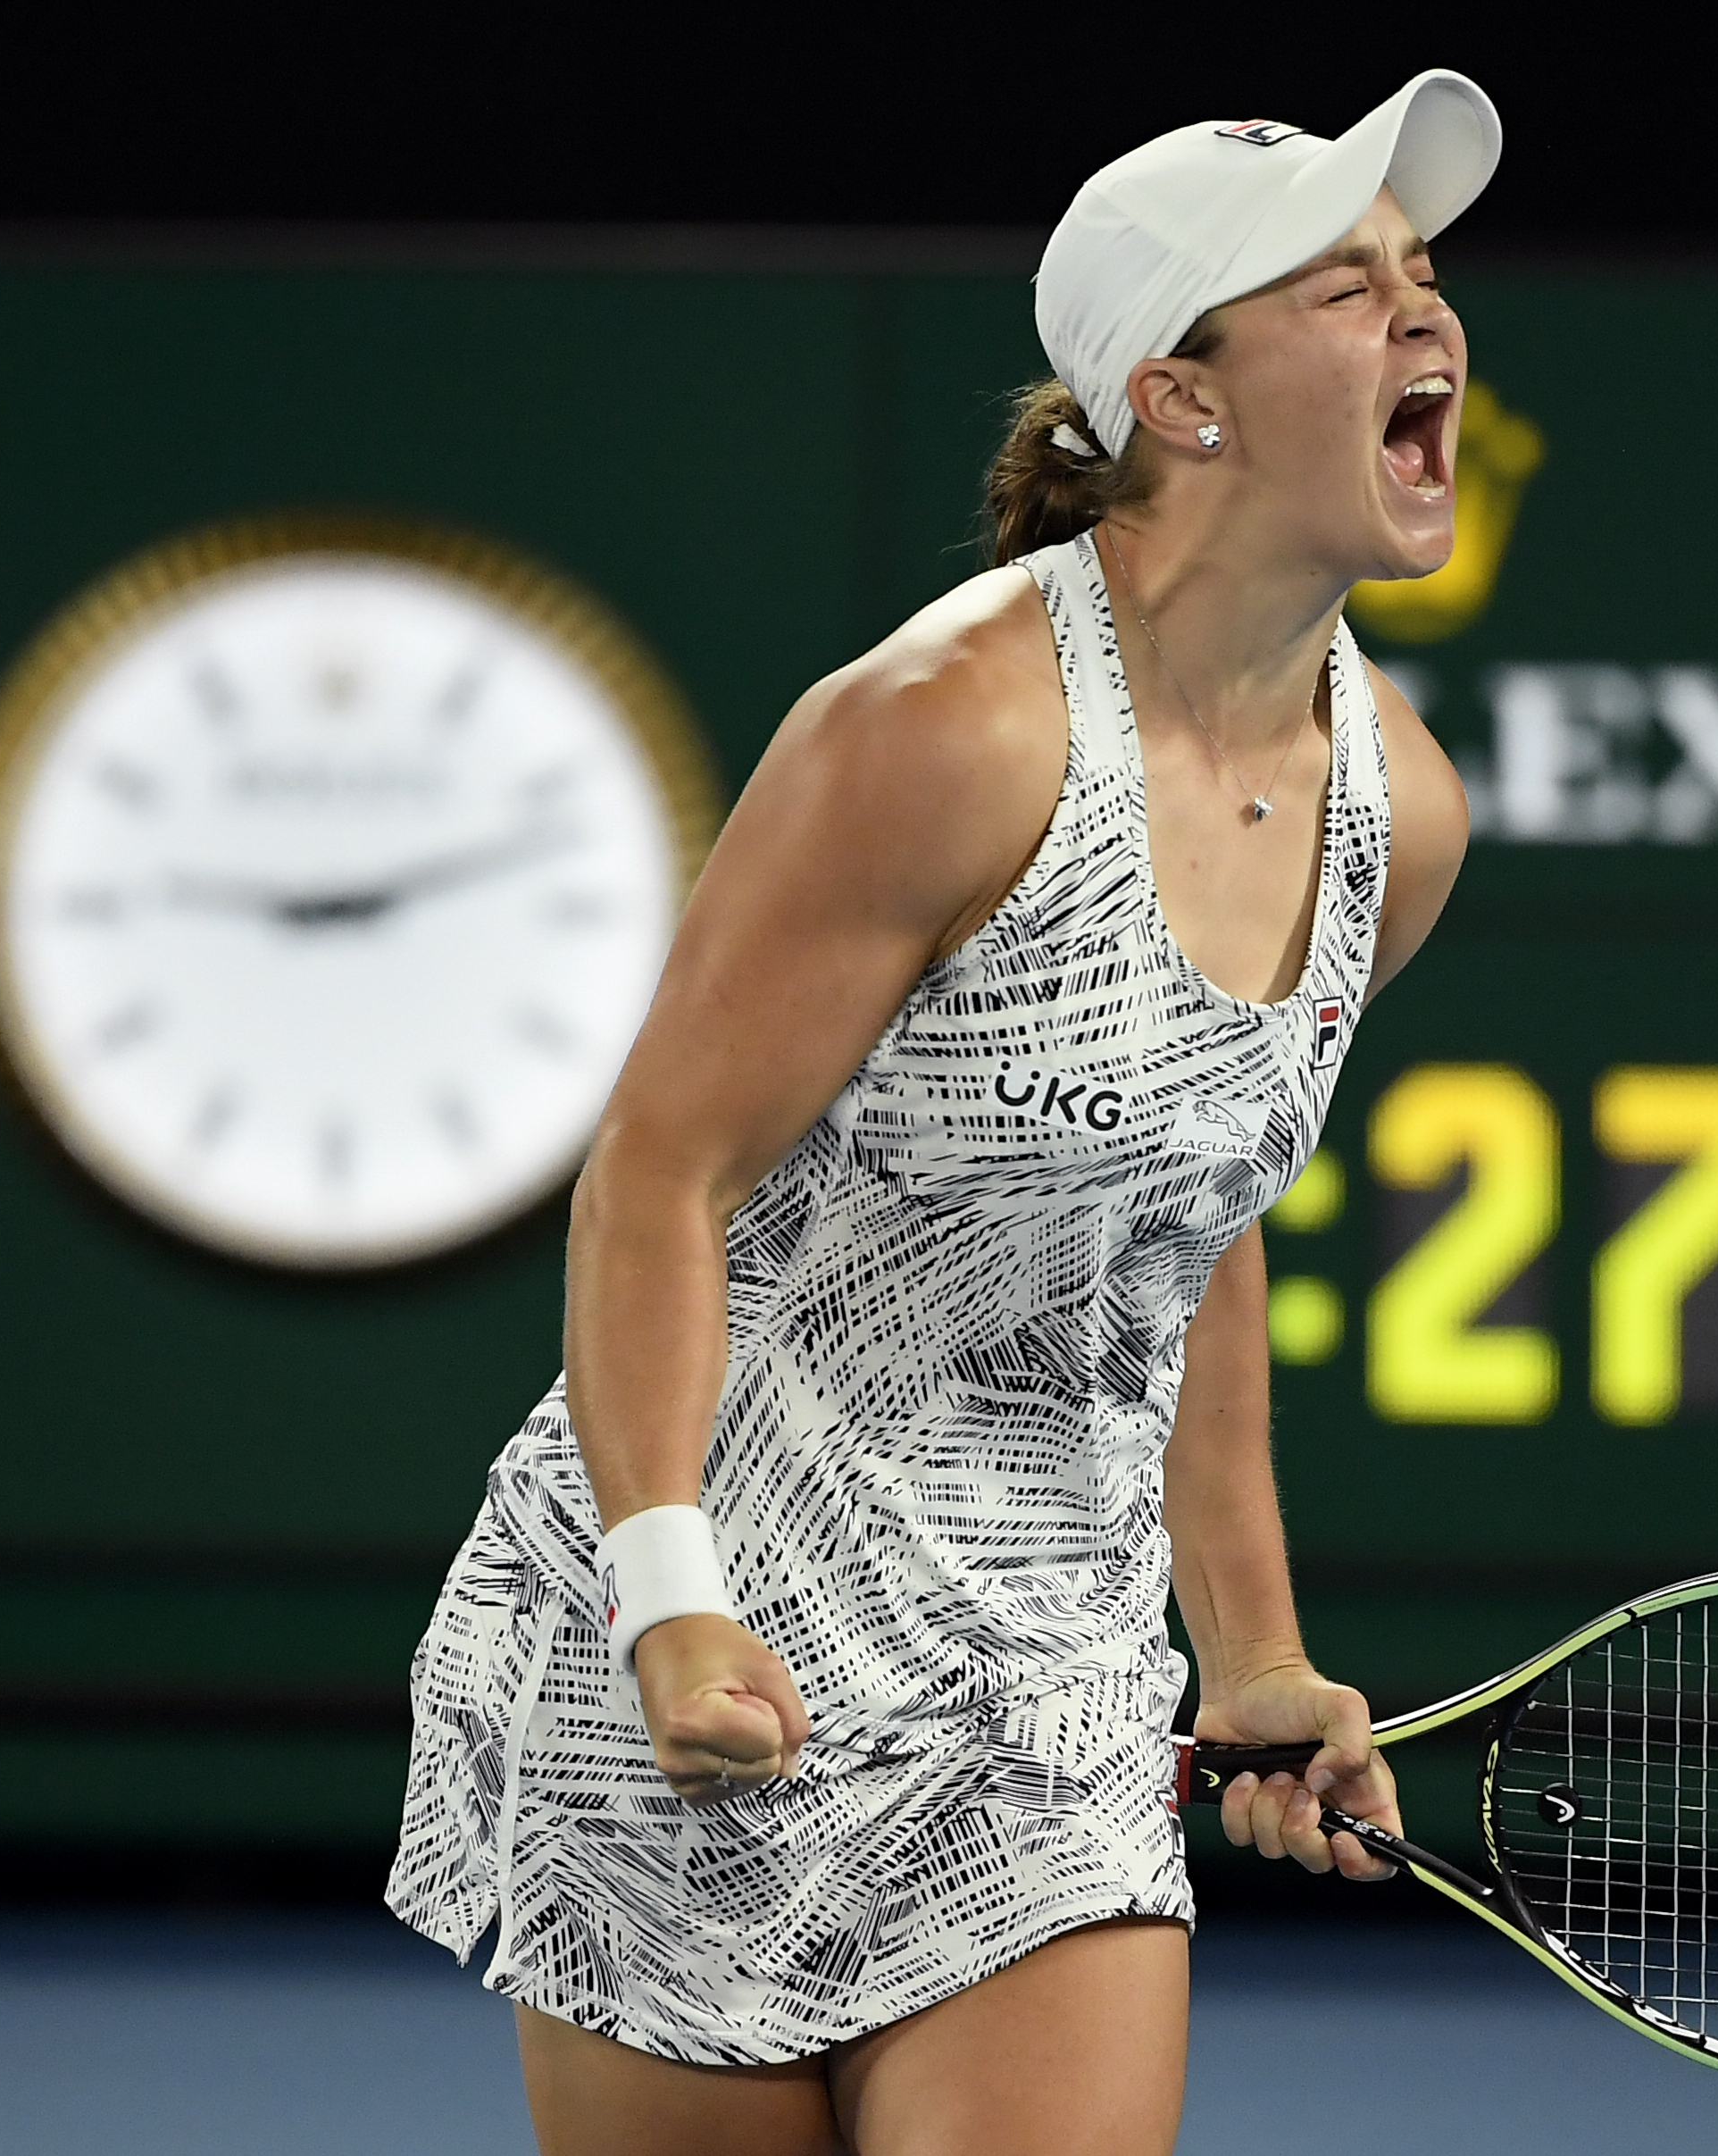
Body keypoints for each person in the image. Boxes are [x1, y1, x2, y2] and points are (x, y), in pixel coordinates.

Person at [386, 70, 1500, 2156]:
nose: (1425, 318)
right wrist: (663, 1587)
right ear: (1179, 393)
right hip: (707, 1650)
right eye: (1345, 287)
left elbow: (1185, 1219)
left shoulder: (1399, 814)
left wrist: (1246, 1643)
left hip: (1046, 1700)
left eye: (1424, 272)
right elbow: (659, 1169)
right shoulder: (941, 730)